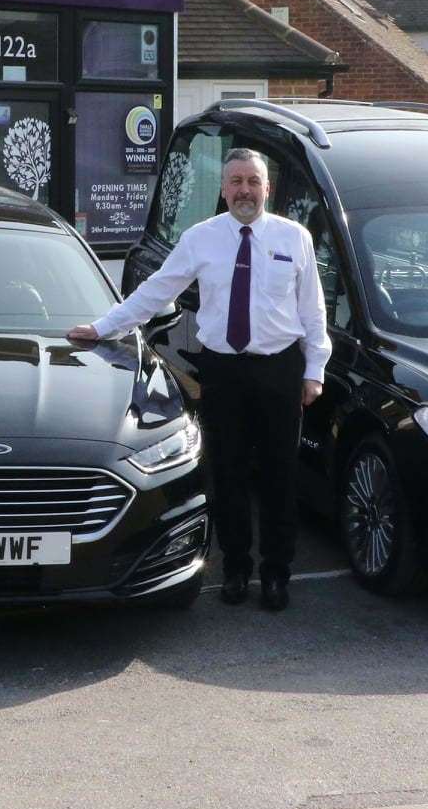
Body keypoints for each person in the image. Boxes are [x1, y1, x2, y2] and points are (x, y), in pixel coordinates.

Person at [68, 149, 329, 611]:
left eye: (253, 181)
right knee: (225, 472)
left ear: (267, 188)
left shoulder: (296, 238)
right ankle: (235, 570)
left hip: (279, 369)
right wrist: (103, 327)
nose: (244, 190)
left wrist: (314, 371)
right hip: (224, 370)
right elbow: (156, 290)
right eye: (235, 181)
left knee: (278, 477)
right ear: (223, 189)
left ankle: (275, 574)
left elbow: (313, 311)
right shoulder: (200, 239)